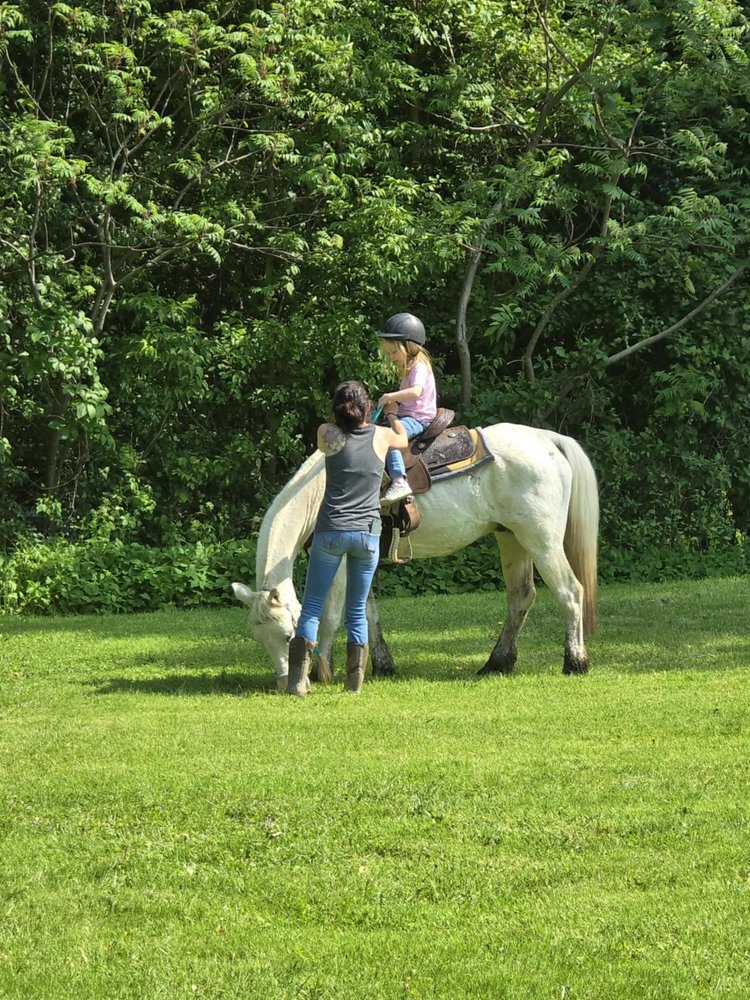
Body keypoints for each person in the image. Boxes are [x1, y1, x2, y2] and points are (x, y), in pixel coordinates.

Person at [287, 380, 408, 697]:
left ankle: (298, 682)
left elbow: (338, 425)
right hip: (367, 534)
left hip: (330, 532)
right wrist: (391, 414)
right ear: (368, 407)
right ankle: (353, 684)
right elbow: (403, 439)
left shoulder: (328, 435)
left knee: (312, 607)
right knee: (355, 610)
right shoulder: (382, 437)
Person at [375, 312, 437, 503]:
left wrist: (390, 397)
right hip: (407, 415)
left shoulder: (419, 366)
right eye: (388, 353)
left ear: (408, 346)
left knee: (392, 437)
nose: (391, 357)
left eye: (394, 352)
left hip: (419, 418)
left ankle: (399, 481)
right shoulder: (409, 368)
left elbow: (416, 392)